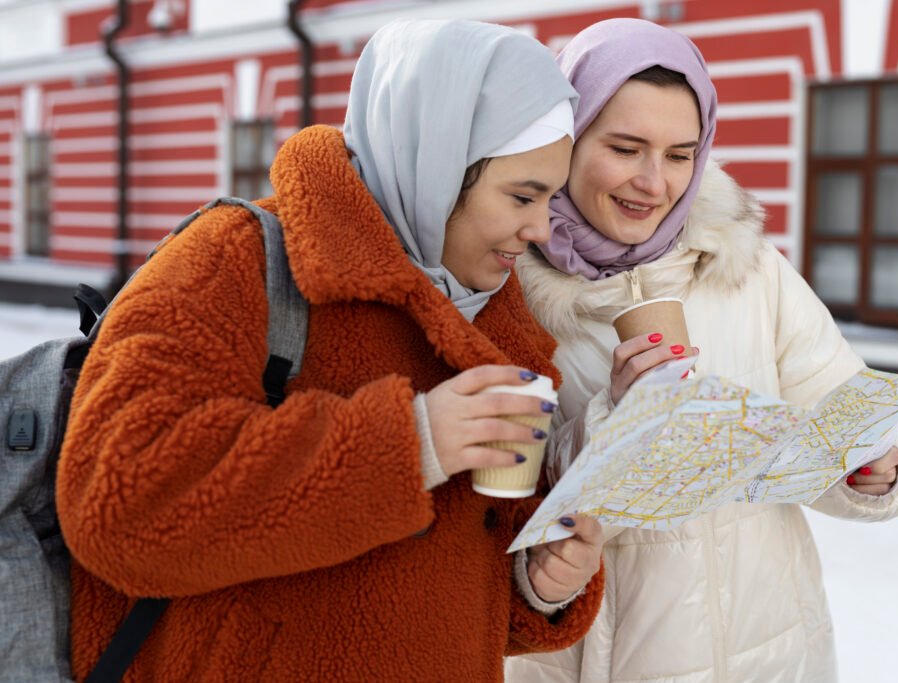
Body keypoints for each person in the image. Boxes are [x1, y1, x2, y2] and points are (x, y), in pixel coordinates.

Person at [57, 19, 606, 682]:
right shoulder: (234, 259)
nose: (541, 228)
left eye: (551, 198)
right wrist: (407, 443)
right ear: (436, 165)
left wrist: (538, 582)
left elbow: (451, 596)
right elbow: (115, 504)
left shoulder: (499, 322)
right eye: (522, 196)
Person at [505, 18, 898, 683]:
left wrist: (871, 468)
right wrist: (619, 421)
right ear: (569, 138)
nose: (654, 182)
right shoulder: (507, 291)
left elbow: (836, 411)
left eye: (680, 154)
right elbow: (502, 515)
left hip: (775, 653)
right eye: (626, 148)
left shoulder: (749, 269)